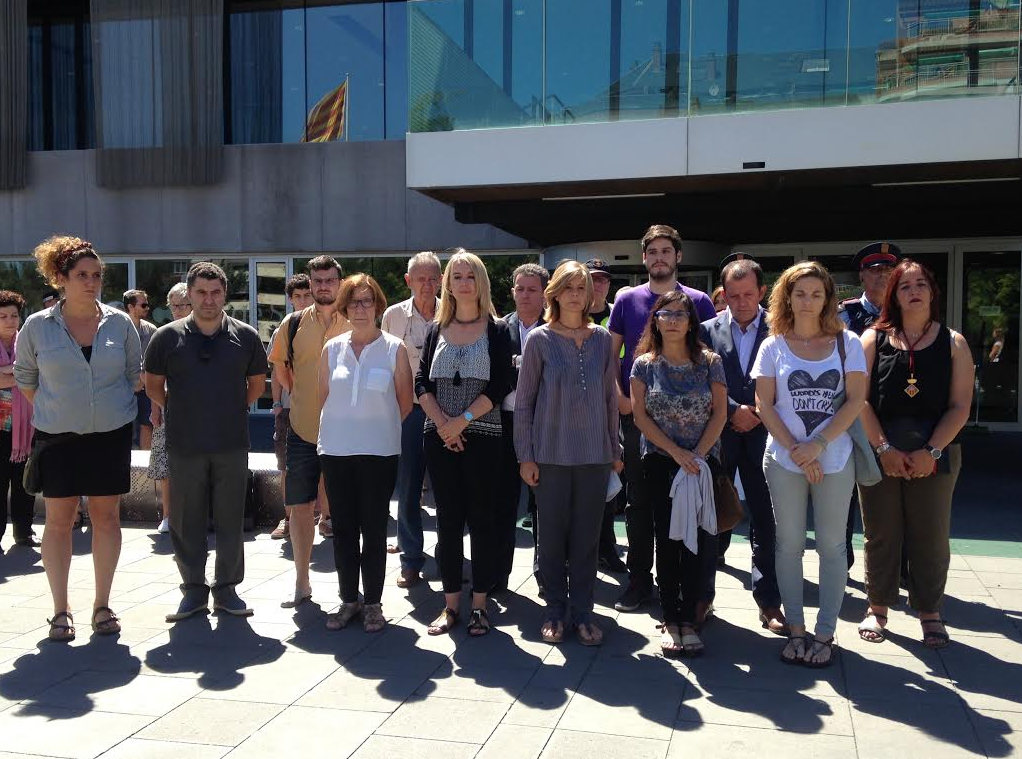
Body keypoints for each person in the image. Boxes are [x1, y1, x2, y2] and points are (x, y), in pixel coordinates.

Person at [15, 236, 141, 641]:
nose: (92, 282)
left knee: (106, 518)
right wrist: (61, 409)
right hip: (57, 436)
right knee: (59, 521)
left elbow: (131, 373)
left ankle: (102, 605)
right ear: (60, 279)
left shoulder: (120, 323)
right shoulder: (37, 326)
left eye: (97, 275)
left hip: (109, 434)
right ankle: (59, 610)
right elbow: (27, 380)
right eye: (82, 275)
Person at [752, 261, 867, 668]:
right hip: (783, 459)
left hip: (834, 459)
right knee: (789, 544)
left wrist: (817, 445)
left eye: (816, 294)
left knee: (834, 547)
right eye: (800, 293)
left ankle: (825, 633)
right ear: (786, 296)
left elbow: (855, 400)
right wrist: (797, 450)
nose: (808, 301)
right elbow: (764, 403)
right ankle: (796, 629)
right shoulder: (773, 345)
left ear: (828, 298)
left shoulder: (847, 343)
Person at [857, 260, 973, 649]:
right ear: (894, 295)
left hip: (935, 454)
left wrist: (932, 451)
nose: (914, 291)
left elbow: (960, 406)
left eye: (920, 284)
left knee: (931, 536)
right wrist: (884, 449)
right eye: (904, 286)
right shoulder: (872, 339)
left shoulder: (954, 343)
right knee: (881, 534)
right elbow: (859, 401)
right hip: (881, 451)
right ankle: (878, 607)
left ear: (932, 292)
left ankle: (929, 611)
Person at [145, 262, 268, 621]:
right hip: (184, 444)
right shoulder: (167, 337)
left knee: (231, 519)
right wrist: (181, 409)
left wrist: (227, 409)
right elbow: (154, 386)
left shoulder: (245, 336)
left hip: (230, 442)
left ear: (225, 295)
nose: (208, 299)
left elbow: (257, 385)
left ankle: (227, 590)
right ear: (189, 294)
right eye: (201, 292)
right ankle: (194, 591)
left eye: (215, 292)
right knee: (186, 520)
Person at [608, 224, 717, 613]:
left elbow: (707, 359)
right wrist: (620, 399)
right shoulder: (626, 301)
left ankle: (694, 587)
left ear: (678, 257)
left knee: (692, 501)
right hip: (638, 420)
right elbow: (612, 356)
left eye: (665, 251)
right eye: (652, 251)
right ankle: (640, 580)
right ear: (644, 258)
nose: (659, 258)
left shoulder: (699, 301)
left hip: (690, 426)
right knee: (640, 504)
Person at [515, 261, 621, 645]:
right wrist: (525, 455)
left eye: (582, 288)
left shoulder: (601, 340)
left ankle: (583, 612)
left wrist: (615, 447)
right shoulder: (539, 340)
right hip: (550, 454)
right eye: (569, 287)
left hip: (594, 454)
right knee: (553, 538)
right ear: (555, 293)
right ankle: (555, 609)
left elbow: (610, 398)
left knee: (587, 539)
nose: (577, 294)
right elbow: (524, 402)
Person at [416, 249, 511, 637]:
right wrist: (443, 424)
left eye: (470, 276)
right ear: (448, 284)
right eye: (456, 276)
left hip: (484, 438)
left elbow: (502, 383)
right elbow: (422, 381)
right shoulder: (436, 328)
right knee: (448, 524)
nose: (463, 283)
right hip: (439, 438)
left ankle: (480, 605)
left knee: (483, 522)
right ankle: (450, 604)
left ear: (481, 282)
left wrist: (462, 422)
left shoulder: (498, 329)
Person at [632, 290, 727, 656]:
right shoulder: (644, 365)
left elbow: (719, 413)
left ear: (691, 322)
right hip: (660, 463)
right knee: (668, 541)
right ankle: (671, 618)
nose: (672, 320)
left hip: (702, 465)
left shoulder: (709, 362)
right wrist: (675, 453)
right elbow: (640, 416)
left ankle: (692, 617)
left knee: (700, 543)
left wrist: (697, 456)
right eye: (665, 314)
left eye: (680, 314)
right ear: (655, 320)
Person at [319, 274, 413, 632]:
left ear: (378, 306)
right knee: (342, 530)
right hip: (337, 452)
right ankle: (348, 600)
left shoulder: (393, 348)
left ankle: (373, 603)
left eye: (367, 301)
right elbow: (323, 399)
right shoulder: (333, 349)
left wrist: (374, 426)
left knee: (374, 530)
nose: (360, 308)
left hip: (378, 452)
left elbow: (405, 403)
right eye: (354, 302)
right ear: (344, 307)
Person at [700, 255, 787, 634]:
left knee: (766, 521)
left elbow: (790, 380)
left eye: (748, 294)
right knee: (710, 519)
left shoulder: (782, 329)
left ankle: (769, 602)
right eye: (732, 295)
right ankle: (702, 598)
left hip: (767, 437)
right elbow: (698, 378)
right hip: (720, 436)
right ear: (723, 294)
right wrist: (734, 409)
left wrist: (756, 412)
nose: (740, 302)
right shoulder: (705, 330)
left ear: (762, 292)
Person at [267, 256, 349, 607]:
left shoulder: (355, 320)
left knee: (347, 510)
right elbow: (282, 372)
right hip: (302, 429)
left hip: (347, 432)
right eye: (317, 280)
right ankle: (302, 583)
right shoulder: (293, 322)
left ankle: (351, 589)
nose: (323, 286)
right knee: (300, 508)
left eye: (330, 280)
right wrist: (301, 398)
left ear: (340, 283)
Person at [839, 242, 901, 571]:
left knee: (893, 493)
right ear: (862, 275)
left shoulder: (905, 313)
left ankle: (894, 565)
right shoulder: (843, 314)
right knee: (847, 491)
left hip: (893, 414)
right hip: (851, 415)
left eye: (888, 271)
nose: (882, 277)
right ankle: (843, 559)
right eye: (875, 271)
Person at [380, 252, 441, 588]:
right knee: (408, 487)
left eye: (433, 278)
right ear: (408, 281)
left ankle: (448, 557)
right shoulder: (392, 316)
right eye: (420, 278)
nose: (427, 285)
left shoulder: (455, 312)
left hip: (450, 415)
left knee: (448, 491)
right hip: (409, 412)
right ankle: (411, 560)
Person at [497, 262, 548, 595]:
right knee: (502, 504)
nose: (525, 295)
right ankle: (497, 577)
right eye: (520, 289)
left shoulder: (557, 328)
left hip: (545, 425)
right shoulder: (498, 329)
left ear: (545, 293)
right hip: (505, 423)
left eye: (532, 289)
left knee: (544, 506)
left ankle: (547, 578)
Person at [586, 258, 627, 574]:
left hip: (616, 408)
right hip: (581, 412)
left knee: (611, 483)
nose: (598, 284)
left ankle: (606, 546)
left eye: (603, 280)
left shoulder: (618, 316)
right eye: (593, 279)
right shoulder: (573, 316)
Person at [268, 274, 313, 541]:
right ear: (290, 299)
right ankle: (288, 518)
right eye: (298, 296)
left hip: (321, 407)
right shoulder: (285, 328)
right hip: (289, 408)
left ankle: (327, 518)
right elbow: (277, 371)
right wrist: (276, 404)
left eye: (307, 295)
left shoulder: (328, 324)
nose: (303, 300)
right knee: (286, 465)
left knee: (326, 466)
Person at [148, 282, 192, 534]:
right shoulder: (163, 335)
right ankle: (168, 514)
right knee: (166, 467)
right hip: (167, 409)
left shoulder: (204, 332)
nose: (177, 310)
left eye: (182, 304)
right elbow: (152, 377)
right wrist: (158, 407)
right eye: (173, 305)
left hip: (199, 412)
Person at [0, 291, 38, 548]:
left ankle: (24, 532)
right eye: (3, 316)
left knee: (24, 482)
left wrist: (7, 373)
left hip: (26, 427)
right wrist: (18, 373)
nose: (10, 320)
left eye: (14, 315)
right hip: (1, 427)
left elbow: (38, 373)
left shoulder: (26, 343)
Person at [123, 289, 158, 451]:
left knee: (147, 424)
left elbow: (156, 360)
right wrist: (132, 381)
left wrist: (145, 378)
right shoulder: (118, 329)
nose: (147, 308)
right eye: (143, 304)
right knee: (123, 427)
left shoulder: (151, 330)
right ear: (130, 307)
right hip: (123, 387)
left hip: (146, 387)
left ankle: (145, 464)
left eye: (147, 304)